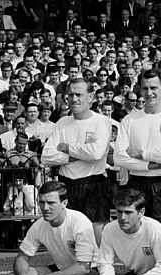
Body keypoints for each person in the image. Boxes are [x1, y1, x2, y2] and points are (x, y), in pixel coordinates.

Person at [113, 68, 161, 275]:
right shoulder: (130, 120)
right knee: (141, 241)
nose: (149, 93)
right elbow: (119, 157)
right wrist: (150, 164)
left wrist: (141, 153)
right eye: (145, 88)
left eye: (154, 87)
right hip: (137, 183)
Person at [5, 181, 98, 275]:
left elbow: (83, 267)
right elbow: (22, 257)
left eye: (51, 203)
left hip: (91, 273)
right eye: (42, 202)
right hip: (62, 271)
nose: (45, 208)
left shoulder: (79, 222)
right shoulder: (39, 225)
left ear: (64, 203)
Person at [41, 78, 112, 245]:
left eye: (79, 94)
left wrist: (67, 148)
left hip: (93, 182)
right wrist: (73, 156)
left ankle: (99, 268)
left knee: (96, 231)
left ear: (91, 97)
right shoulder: (62, 122)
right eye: (70, 95)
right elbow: (47, 156)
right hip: (67, 184)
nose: (74, 99)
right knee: (69, 232)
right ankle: (73, 268)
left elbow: (96, 153)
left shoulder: (101, 121)